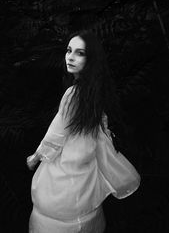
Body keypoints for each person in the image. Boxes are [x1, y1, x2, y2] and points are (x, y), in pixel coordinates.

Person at [27, 31, 140, 233]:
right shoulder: (94, 91)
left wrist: (36, 156)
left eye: (80, 53)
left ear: (92, 59)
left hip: (70, 158)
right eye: (69, 50)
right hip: (86, 157)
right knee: (85, 208)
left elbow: (57, 132)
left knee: (60, 207)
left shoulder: (73, 93)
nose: (70, 57)